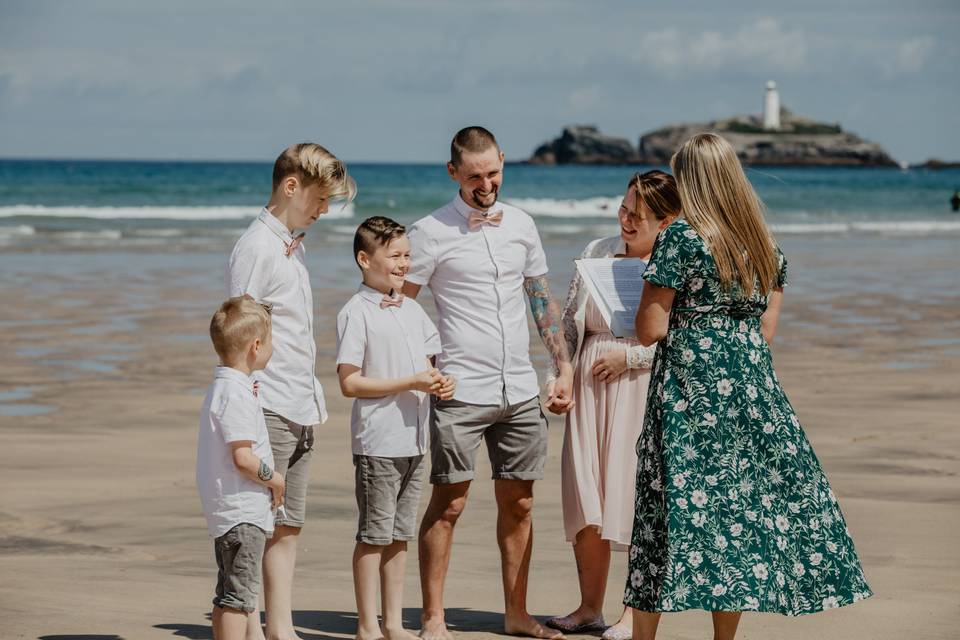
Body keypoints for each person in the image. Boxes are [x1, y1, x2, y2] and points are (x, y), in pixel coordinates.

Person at [625, 133, 872, 640]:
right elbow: (765, 331)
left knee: (664, 513)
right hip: (753, 393)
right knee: (736, 516)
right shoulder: (764, 245)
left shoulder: (683, 239)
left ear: (692, 181)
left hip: (691, 395)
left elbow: (650, 328)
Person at [402, 126, 574, 640]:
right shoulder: (427, 232)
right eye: (474, 176)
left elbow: (540, 299)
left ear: (503, 160)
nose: (486, 184)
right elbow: (401, 311)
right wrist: (423, 370)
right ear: (453, 172)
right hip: (459, 390)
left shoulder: (521, 224)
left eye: (493, 172)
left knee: (519, 502)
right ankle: (434, 617)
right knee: (449, 502)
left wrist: (561, 366)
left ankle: (517, 615)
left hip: (519, 389)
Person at [228, 143, 356, 640]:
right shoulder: (256, 247)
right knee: (259, 521)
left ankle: (281, 626)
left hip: (301, 401)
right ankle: (256, 627)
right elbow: (239, 333)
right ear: (291, 187)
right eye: (320, 199)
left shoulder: (292, 244)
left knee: (289, 521)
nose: (324, 210)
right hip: (268, 405)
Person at [545, 171, 680, 640]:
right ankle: (588, 607)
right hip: (588, 383)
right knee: (586, 496)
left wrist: (632, 357)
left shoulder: (674, 262)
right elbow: (567, 324)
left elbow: (678, 341)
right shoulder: (597, 251)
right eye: (623, 209)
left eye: (638, 215)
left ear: (667, 221)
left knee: (630, 497)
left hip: (640, 387)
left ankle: (631, 614)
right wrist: (559, 376)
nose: (626, 220)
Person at [336, 216, 456, 640]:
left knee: (400, 536)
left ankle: (394, 623)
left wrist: (439, 381)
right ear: (365, 259)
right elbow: (349, 382)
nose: (405, 264)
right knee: (374, 535)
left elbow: (428, 367)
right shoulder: (356, 313)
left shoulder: (412, 308)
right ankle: (367, 626)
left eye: (408, 255)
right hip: (378, 441)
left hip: (415, 439)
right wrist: (411, 382)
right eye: (395, 256)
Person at [196, 296, 286, 640]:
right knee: (240, 598)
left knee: (228, 592)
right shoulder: (234, 393)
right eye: (272, 340)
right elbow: (243, 458)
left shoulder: (224, 385)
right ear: (256, 346)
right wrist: (275, 480)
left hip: (229, 509)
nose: (272, 347)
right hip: (241, 511)